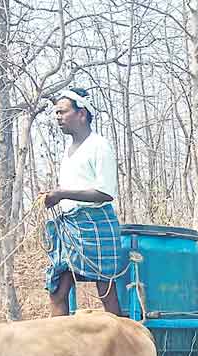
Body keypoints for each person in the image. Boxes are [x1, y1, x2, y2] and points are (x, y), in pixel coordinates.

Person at [42, 88, 126, 317]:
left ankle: (120, 344)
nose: (58, 117)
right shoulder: (67, 151)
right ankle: (59, 347)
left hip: (95, 222)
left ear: (82, 114)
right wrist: (55, 196)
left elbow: (105, 192)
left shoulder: (99, 145)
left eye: (63, 112)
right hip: (68, 226)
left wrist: (62, 194)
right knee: (58, 289)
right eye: (56, 113)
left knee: (106, 291)